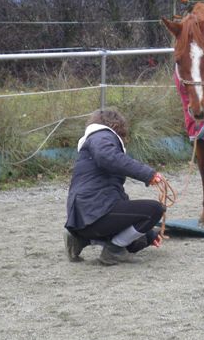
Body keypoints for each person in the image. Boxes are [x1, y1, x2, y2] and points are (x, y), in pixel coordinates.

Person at [64, 108, 165, 265]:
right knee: (156, 209)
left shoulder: (93, 141)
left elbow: (116, 196)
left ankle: (81, 239)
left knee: (139, 242)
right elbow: (108, 157)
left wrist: (149, 234)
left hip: (83, 217)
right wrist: (148, 174)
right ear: (116, 125)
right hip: (95, 212)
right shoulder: (102, 136)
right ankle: (113, 251)